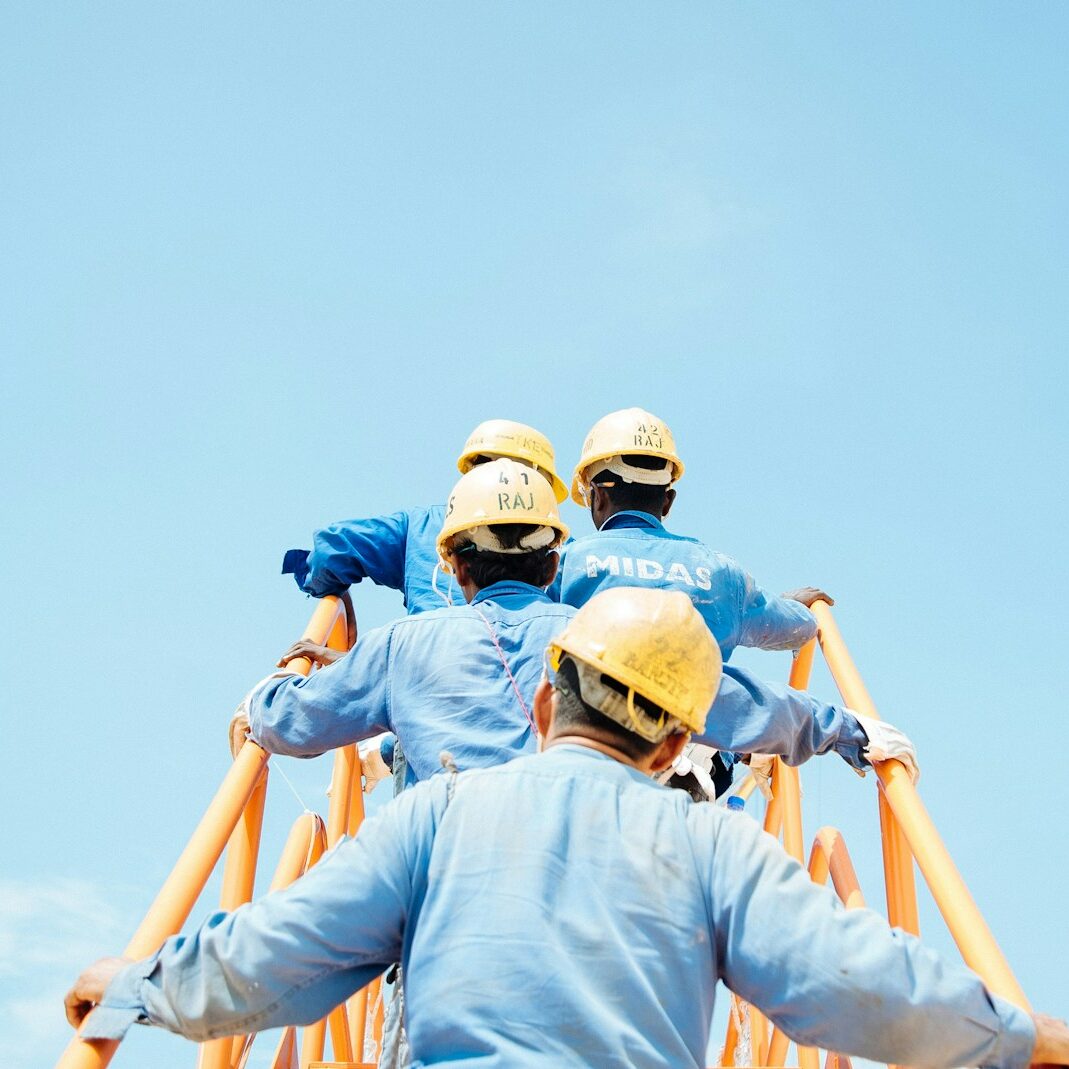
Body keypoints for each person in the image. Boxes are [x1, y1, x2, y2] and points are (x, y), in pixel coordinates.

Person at [67, 588, 1067, 1069]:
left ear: (545, 701)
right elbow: (851, 979)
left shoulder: (434, 815)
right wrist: (1023, 1037)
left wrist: (130, 991)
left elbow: (275, 957)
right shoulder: (717, 844)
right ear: (676, 740)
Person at [231, 461, 917, 787]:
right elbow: (734, 698)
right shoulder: (609, 638)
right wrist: (847, 729)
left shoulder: (398, 647)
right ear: (553, 552)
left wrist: (277, 685)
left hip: (443, 902)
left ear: (454, 563)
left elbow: (289, 723)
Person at [556, 406, 826, 661]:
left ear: (598, 496)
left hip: (590, 708)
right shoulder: (721, 572)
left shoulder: (566, 564)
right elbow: (795, 628)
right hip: (698, 710)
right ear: (668, 501)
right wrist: (796, 607)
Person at [282, 418, 569, 613]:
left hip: (422, 675)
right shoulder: (560, 548)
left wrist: (332, 591)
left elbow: (332, 550)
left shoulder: (419, 527)